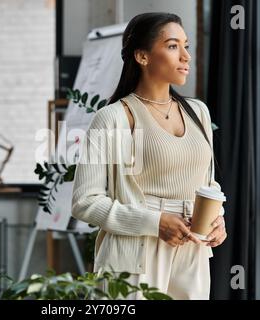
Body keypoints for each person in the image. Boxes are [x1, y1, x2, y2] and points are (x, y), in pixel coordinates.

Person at [71, 12, 227, 300]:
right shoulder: (113, 118)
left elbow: (208, 184)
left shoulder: (198, 113)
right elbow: (85, 202)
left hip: (193, 249)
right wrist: (155, 222)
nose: (185, 56)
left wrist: (218, 218)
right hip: (136, 253)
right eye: (172, 46)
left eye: (186, 46)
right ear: (142, 57)